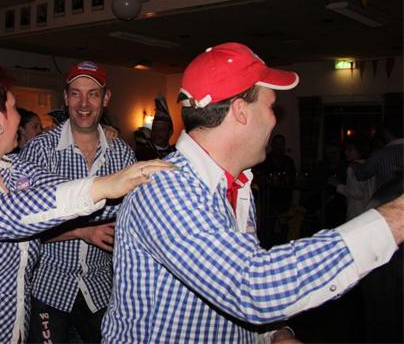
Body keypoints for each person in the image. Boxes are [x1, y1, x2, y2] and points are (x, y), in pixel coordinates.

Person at [102, 42, 404, 343]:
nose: (275, 119)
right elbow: (250, 286)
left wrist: (275, 333)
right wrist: (394, 217)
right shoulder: (165, 190)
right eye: (270, 106)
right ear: (240, 111)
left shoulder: (237, 185)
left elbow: (232, 286)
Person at [0, 64, 170, 343]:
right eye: (14, 108)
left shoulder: (12, 169)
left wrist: (147, 190)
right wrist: (105, 185)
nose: (19, 117)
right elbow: (1, 216)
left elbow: (67, 194)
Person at [19, 60, 136, 344]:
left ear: (106, 98)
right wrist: (82, 232)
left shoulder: (122, 155)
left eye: (93, 94)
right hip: (48, 286)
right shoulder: (40, 150)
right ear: (66, 97)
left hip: (100, 287)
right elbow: (22, 227)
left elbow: (134, 224)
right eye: (76, 93)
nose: (83, 103)